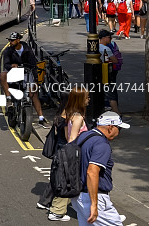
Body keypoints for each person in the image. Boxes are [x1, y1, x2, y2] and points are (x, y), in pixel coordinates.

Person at [37, 87, 89, 221]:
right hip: (75, 155)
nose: (89, 100)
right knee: (70, 183)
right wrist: (72, 157)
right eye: (87, 97)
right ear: (80, 100)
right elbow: (71, 138)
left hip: (71, 153)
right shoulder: (77, 117)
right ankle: (57, 211)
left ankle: (91, 210)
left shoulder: (70, 114)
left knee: (72, 183)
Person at [71, 112, 129, 226]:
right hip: (94, 196)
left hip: (78, 195)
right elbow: (92, 172)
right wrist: (94, 204)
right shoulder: (102, 144)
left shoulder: (84, 136)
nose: (118, 133)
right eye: (119, 129)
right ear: (111, 127)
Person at [0, 31, 47, 127]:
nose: (10, 42)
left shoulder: (27, 50)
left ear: (18, 40)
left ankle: (41, 117)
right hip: (14, 72)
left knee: (33, 94)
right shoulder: (8, 51)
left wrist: (36, 81)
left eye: (12, 40)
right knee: (2, 75)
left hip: (26, 72)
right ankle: (9, 99)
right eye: (9, 40)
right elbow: (6, 64)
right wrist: (12, 66)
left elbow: (33, 65)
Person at [98, 30, 121, 116]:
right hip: (107, 72)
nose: (110, 39)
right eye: (109, 37)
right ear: (104, 38)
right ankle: (117, 113)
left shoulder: (96, 47)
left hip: (99, 72)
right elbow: (115, 60)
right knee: (111, 92)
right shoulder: (106, 48)